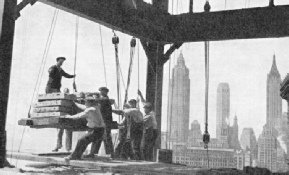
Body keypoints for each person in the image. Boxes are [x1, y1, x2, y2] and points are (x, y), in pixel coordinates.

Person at [46, 57, 75, 152]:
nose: (62, 63)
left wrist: (72, 76)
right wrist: (48, 89)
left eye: (62, 62)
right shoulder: (54, 68)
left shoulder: (60, 70)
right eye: (61, 62)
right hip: (52, 87)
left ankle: (67, 148)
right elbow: (49, 73)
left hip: (57, 88)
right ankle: (59, 146)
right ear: (57, 61)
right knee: (60, 131)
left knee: (64, 131)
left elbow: (65, 74)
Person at [64, 94, 105, 160]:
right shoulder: (96, 107)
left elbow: (79, 115)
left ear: (89, 103)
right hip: (99, 130)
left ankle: (73, 156)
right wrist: (75, 103)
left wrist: (69, 117)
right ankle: (77, 156)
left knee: (81, 140)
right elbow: (84, 107)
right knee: (84, 141)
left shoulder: (90, 110)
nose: (85, 103)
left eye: (86, 102)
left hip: (97, 131)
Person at [83, 87, 115, 158]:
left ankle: (111, 154)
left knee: (107, 137)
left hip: (106, 121)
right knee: (97, 136)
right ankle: (92, 153)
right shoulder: (103, 100)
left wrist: (88, 97)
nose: (100, 92)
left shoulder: (105, 99)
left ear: (105, 92)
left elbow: (96, 101)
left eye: (101, 91)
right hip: (102, 121)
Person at [138, 90, 158, 161]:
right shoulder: (151, 112)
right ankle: (148, 159)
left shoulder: (150, 115)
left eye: (145, 108)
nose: (144, 110)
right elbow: (144, 103)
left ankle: (147, 160)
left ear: (148, 109)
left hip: (151, 131)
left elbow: (141, 122)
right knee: (148, 147)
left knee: (146, 147)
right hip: (152, 131)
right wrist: (140, 95)